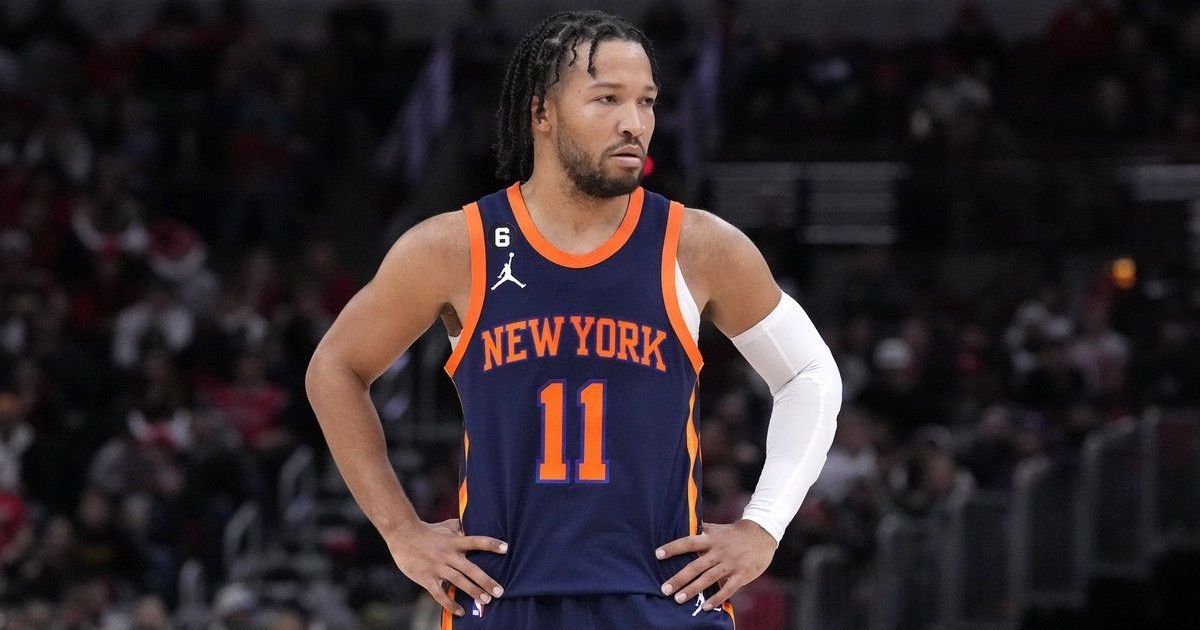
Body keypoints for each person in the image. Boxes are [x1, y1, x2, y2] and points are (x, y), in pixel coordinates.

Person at [305, 10, 841, 628]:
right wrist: (401, 531)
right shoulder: (454, 248)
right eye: (607, 99)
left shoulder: (698, 245)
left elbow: (810, 374)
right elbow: (335, 369)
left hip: (663, 598)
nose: (634, 122)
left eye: (646, 102)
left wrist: (762, 526)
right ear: (543, 112)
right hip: (503, 597)